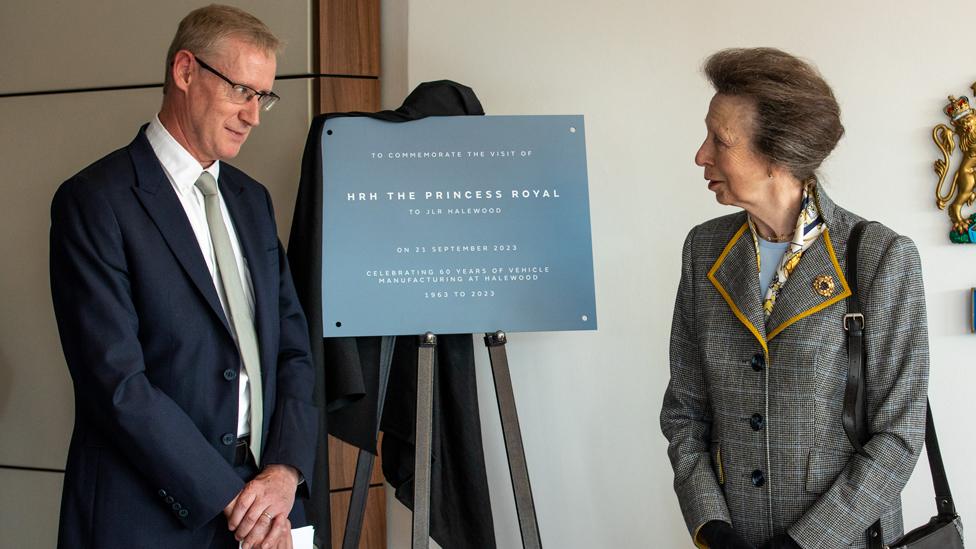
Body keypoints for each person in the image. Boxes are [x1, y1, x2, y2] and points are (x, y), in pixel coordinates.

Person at [50, 5, 316, 548]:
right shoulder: (95, 201)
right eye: (242, 90)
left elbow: (293, 350)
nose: (254, 115)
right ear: (186, 71)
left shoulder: (251, 200)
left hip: (269, 506)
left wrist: (285, 473)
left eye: (264, 96)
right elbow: (117, 382)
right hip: (149, 513)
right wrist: (236, 500)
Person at [660, 48, 929, 549]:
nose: (701, 155)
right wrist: (711, 525)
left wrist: (803, 543)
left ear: (779, 154)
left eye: (720, 141)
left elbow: (899, 437)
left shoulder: (880, 258)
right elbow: (684, 412)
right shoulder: (704, 251)